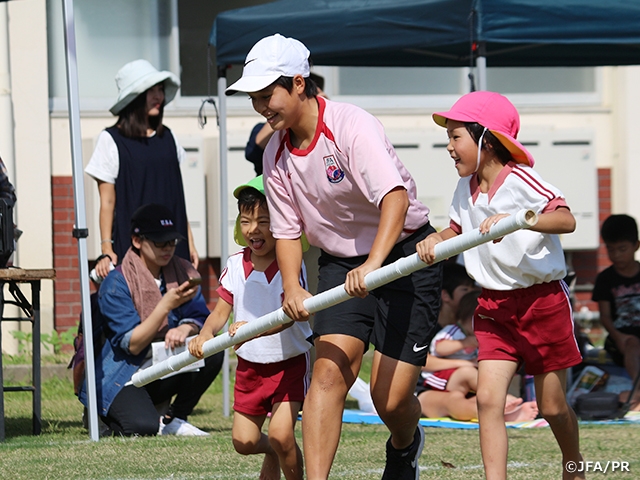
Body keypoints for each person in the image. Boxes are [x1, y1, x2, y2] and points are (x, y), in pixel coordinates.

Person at [226, 34, 442, 480]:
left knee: (390, 399)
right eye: (255, 98)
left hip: (403, 254)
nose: (262, 106)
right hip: (342, 265)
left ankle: (405, 444)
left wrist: (375, 263)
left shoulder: (351, 125)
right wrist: (291, 287)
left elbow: (395, 200)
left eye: (268, 95)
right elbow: (286, 231)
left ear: (299, 84)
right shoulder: (275, 153)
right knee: (326, 373)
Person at [416, 91, 584, 480]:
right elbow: (456, 228)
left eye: (456, 137)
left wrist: (521, 219)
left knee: (554, 406)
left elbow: (565, 219)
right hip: (492, 306)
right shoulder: (465, 187)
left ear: (485, 140)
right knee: (488, 400)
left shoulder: (521, 180)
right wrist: (436, 239)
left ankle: (574, 467)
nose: (449, 147)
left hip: (541, 303)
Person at [189, 175, 312, 480]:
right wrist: (205, 334)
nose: (253, 230)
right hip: (250, 366)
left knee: (283, 434)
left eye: (264, 221)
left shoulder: (291, 264)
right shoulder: (234, 264)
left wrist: (252, 329)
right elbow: (220, 312)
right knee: (244, 442)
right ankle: (274, 452)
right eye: (246, 222)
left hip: (289, 362)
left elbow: (289, 316)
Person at [77, 203, 223, 437]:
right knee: (142, 429)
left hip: (159, 364)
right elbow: (132, 344)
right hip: (122, 374)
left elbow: (200, 316)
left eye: (172, 242)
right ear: (137, 241)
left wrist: (186, 327)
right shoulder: (116, 284)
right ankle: (104, 416)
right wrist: (165, 305)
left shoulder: (183, 271)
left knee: (212, 348)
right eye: (159, 243)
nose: (167, 249)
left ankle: (174, 418)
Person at [85, 59, 198, 279]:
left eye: (160, 90)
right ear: (134, 98)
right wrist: (106, 249)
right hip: (134, 248)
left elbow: (177, 197)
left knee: (179, 308)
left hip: (173, 248)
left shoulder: (169, 137)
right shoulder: (111, 139)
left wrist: (190, 242)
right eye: (151, 91)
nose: (159, 96)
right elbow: (107, 203)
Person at [416, 291, 538, 423]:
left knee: (480, 395)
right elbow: (436, 350)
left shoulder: (476, 336)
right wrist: (465, 352)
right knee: (460, 389)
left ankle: (506, 408)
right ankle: (504, 408)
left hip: (460, 386)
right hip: (434, 382)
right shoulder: (453, 332)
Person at [592, 214, 640, 410]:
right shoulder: (605, 279)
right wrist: (618, 337)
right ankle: (638, 390)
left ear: (636, 246)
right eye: (611, 250)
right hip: (620, 337)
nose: (617, 255)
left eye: (622, 249)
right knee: (632, 344)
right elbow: (605, 316)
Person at [244, 73, 326, 176]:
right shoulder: (268, 131)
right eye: (252, 98)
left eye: (266, 96)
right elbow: (253, 151)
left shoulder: (341, 129)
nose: (259, 108)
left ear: (299, 85)